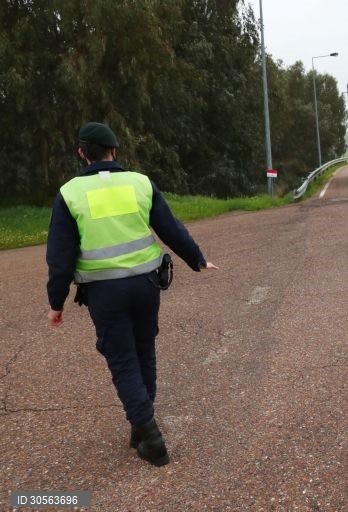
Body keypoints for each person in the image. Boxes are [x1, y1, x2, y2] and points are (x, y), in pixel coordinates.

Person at [46, 122, 219, 467]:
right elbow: (170, 228)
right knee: (144, 351)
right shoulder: (140, 182)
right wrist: (197, 259)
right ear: (114, 150)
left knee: (123, 359)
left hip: (104, 291)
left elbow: (60, 257)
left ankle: (151, 438)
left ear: (82, 153)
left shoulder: (69, 193)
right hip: (146, 285)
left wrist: (56, 302)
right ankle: (140, 425)